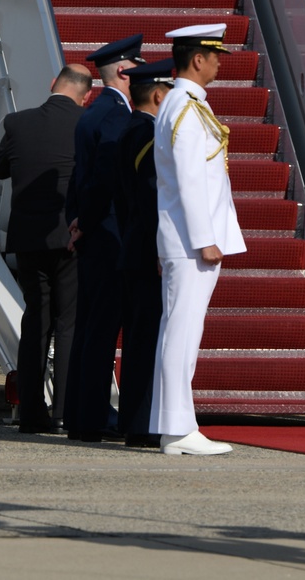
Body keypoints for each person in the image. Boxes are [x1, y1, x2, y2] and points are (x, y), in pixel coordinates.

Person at [150, 24, 245, 456]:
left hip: (187, 239)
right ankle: (177, 429)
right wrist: (205, 239)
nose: (220, 63)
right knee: (182, 333)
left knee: (182, 332)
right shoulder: (185, 108)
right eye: (216, 55)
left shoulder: (185, 104)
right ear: (198, 59)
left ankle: (177, 426)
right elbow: (189, 182)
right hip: (191, 241)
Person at [0, 65, 92, 433]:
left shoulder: (18, 123)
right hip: (70, 236)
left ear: (52, 86)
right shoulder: (87, 121)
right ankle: (63, 410)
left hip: (28, 238)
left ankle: (32, 413)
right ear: (86, 94)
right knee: (68, 324)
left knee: (36, 321)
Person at [63, 35, 141, 439]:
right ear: (124, 71)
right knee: (102, 331)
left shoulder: (94, 112)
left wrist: (75, 220)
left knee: (90, 330)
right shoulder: (114, 116)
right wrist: (88, 222)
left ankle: (80, 414)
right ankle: (92, 417)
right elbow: (102, 180)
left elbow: (80, 176)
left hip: (94, 233)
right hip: (108, 235)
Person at [116, 57, 174, 447]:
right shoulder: (151, 136)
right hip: (148, 248)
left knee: (139, 336)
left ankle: (135, 421)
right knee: (149, 338)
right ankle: (143, 424)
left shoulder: (127, 131)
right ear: (157, 94)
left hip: (130, 245)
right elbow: (153, 197)